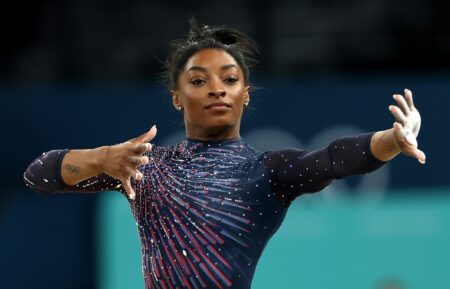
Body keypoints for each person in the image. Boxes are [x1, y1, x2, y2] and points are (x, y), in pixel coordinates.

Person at [24, 18, 426, 289]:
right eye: (199, 80)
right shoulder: (143, 166)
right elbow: (39, 175)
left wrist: (392, 139)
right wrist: (102, 158)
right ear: (177, 98)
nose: (217, 88)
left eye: (230, 79)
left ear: (245, 95)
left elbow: (334, 159)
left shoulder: (267, 171)